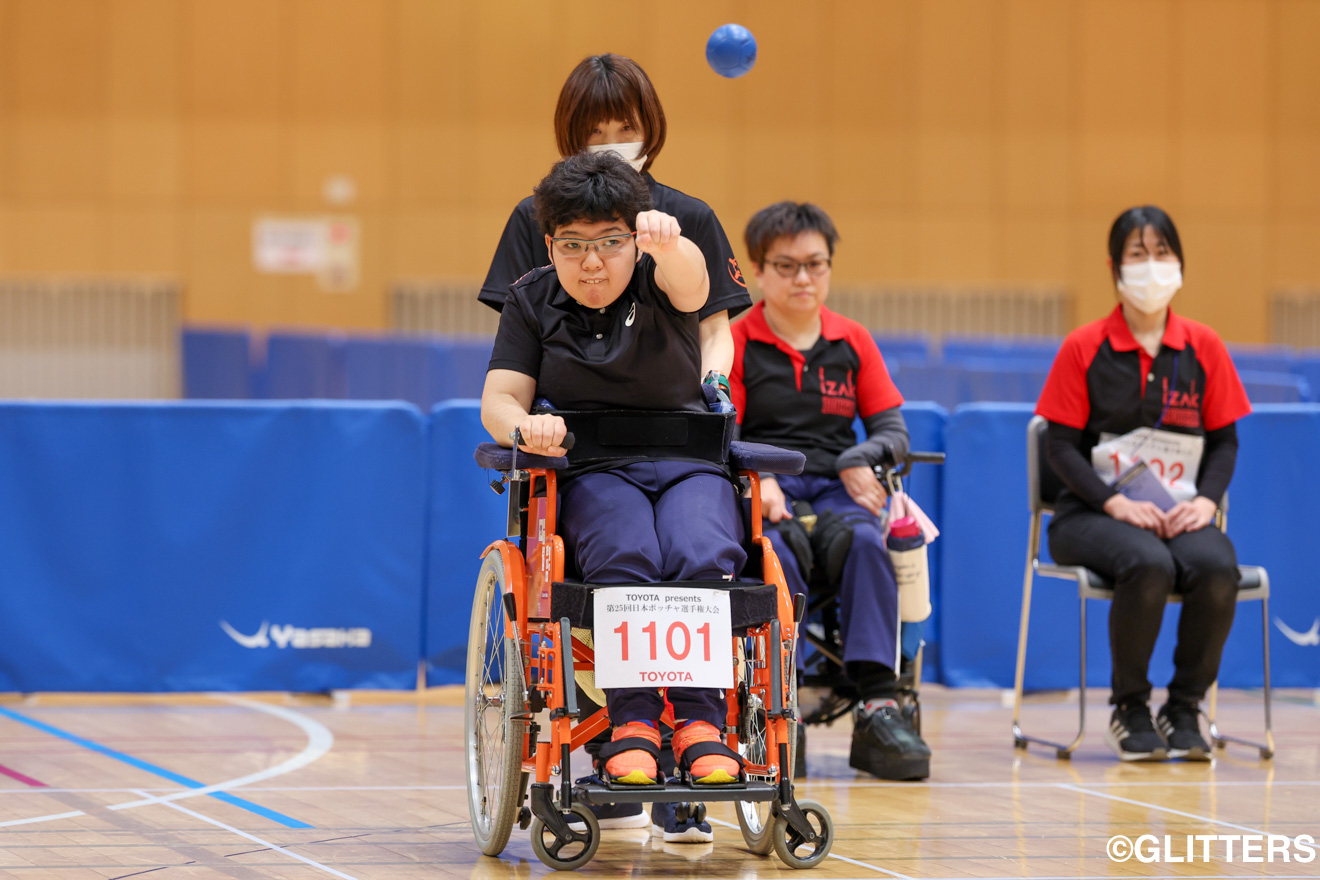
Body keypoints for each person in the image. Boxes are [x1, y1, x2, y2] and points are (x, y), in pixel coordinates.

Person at [481, 151, 747, 838]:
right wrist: (526, 425)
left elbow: (696, 289)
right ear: (550, 245)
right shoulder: (531, 298)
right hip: (595, 468)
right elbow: (499, 398)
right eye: (572, 245)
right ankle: (631, 722)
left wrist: (670, 242)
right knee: (625, 551)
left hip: (688, 460)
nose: (590, 261)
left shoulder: (664, 273)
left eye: (607, 243)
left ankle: (699, 722)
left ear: (632, 240)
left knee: (699, 550)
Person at [1035, 205, 1251, 762]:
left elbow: (1225, 442)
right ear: (1115, 267)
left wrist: (1206, 501)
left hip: (1179, 512)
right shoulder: (1084, 347)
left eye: (1163, 253)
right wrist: (1113, 503)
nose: (1152, 266)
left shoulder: (1203, 347)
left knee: (1216, 567)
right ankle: (1129, 708)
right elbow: (1058, 446)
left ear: (1180, 264)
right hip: (1089, 514)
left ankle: (1183, 708)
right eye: (1138, 254)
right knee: (1148, 563)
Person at [728, 201, 931, 781]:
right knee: (775, 555)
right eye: (787, 265)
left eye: (815, 265)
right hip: (769, 488)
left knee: (870, 543)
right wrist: (758, 477)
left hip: (840, 490)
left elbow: (893, 431)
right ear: (759, 272)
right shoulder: (739, 341)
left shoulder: (853, 340)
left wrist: (858, 457)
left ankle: (877, 704)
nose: (803, 279)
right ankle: (776, 706)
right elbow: (727, 432)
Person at [479, 52, 751, 390]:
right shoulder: (533, 215)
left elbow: (713, 330)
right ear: (573, 136)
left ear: (650, 128)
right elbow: (518, 334)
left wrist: (712, 386)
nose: (612, 146)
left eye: (626, 128)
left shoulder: (692, 216)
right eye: (595, 131)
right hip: (560, 412)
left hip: (667, 406)